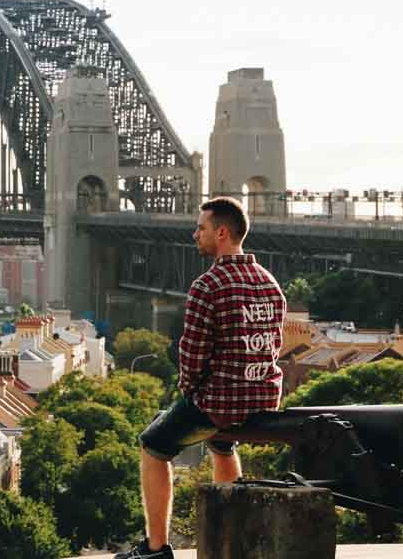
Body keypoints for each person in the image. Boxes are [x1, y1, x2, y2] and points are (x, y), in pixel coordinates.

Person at [118, 197, 287, 559]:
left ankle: (155, 548)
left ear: (221, 233)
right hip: (263, 399)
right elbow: (274, 345)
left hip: (221, 402)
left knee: (153, 445)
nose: (195, 234)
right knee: (222, 445)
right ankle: (230, 536)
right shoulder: (269, 282)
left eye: (202, 228)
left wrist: (191, 394)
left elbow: (191, 360)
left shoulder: (207, 285)